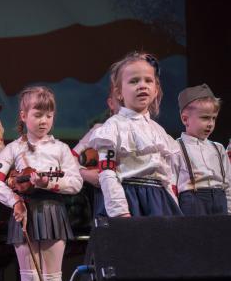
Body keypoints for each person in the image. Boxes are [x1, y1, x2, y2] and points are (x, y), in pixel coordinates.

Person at [0, 86, 82, 281]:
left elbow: (76, 182)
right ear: (23, 116)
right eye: (37, 114)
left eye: (49, 115)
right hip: (24, 211)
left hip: (52, 210)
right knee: (29, 276)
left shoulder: (61, 149)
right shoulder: (12, 149)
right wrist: (16, 201)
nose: (43, 121)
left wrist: (49, 184)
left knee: (52, 276)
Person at [88, 51, 182, 217]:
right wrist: (120, 212)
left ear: (156, 89)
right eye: (134, 81)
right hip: (129, 200)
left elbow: (166, 177)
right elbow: (107, 172)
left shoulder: (159, 132)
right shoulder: (113, 127)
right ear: (119, 92)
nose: (142, 85)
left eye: (148, 80)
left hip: (160, 202)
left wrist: (173, 204)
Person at [173, 84, 230, 215]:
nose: (210, 123)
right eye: (205, 118)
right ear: (185, 119)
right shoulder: (176, 147)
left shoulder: (218, 148)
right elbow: (172, 186)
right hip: (192, 202)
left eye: (213, 118)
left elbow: (228, 184)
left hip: (219, 200)